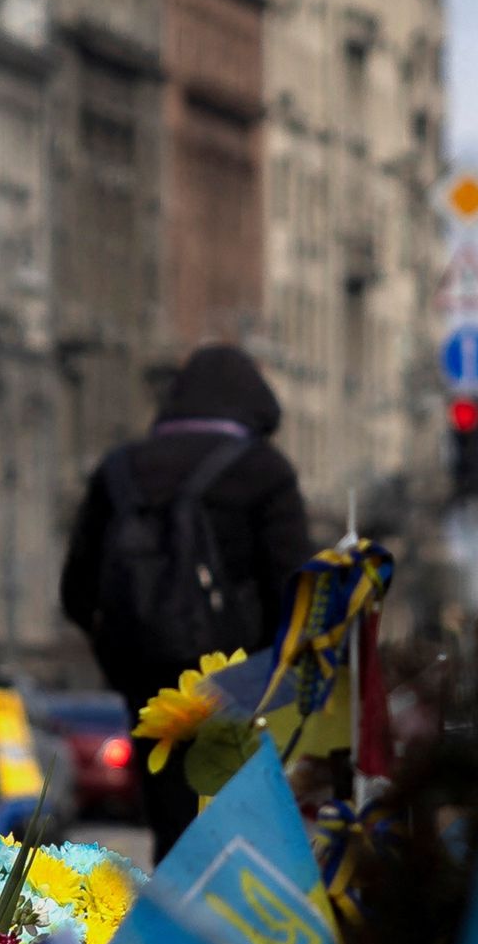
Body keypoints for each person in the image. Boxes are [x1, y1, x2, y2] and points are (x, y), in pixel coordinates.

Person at [58, 344, 316, 851]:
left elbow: (76, 593)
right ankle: (224, 927)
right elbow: (296, 591)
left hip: (149, 688)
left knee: (172, 828)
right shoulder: (265, 472)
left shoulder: (119, 472)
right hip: (242, 688)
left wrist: (126, 658)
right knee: (238, 836)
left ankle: (174, 923)